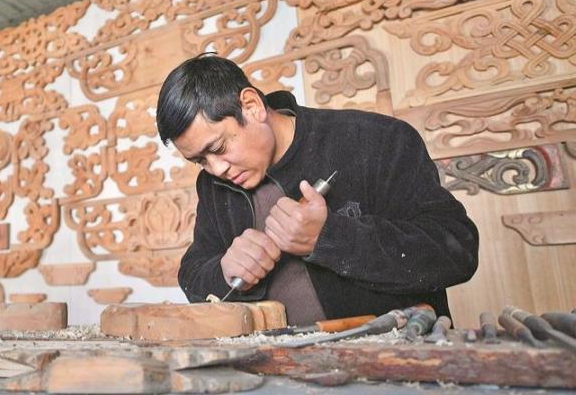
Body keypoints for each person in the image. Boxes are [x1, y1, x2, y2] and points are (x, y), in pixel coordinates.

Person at [156, 54, 479, 325]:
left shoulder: (376, 139)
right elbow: (192, 272)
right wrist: (224, 270)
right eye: (200, 161)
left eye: (218, 148)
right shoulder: (214, 185)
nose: (217, 169)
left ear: (252, 106)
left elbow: (457, 253)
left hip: (391, 361)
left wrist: (328, 238)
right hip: (272, 367)